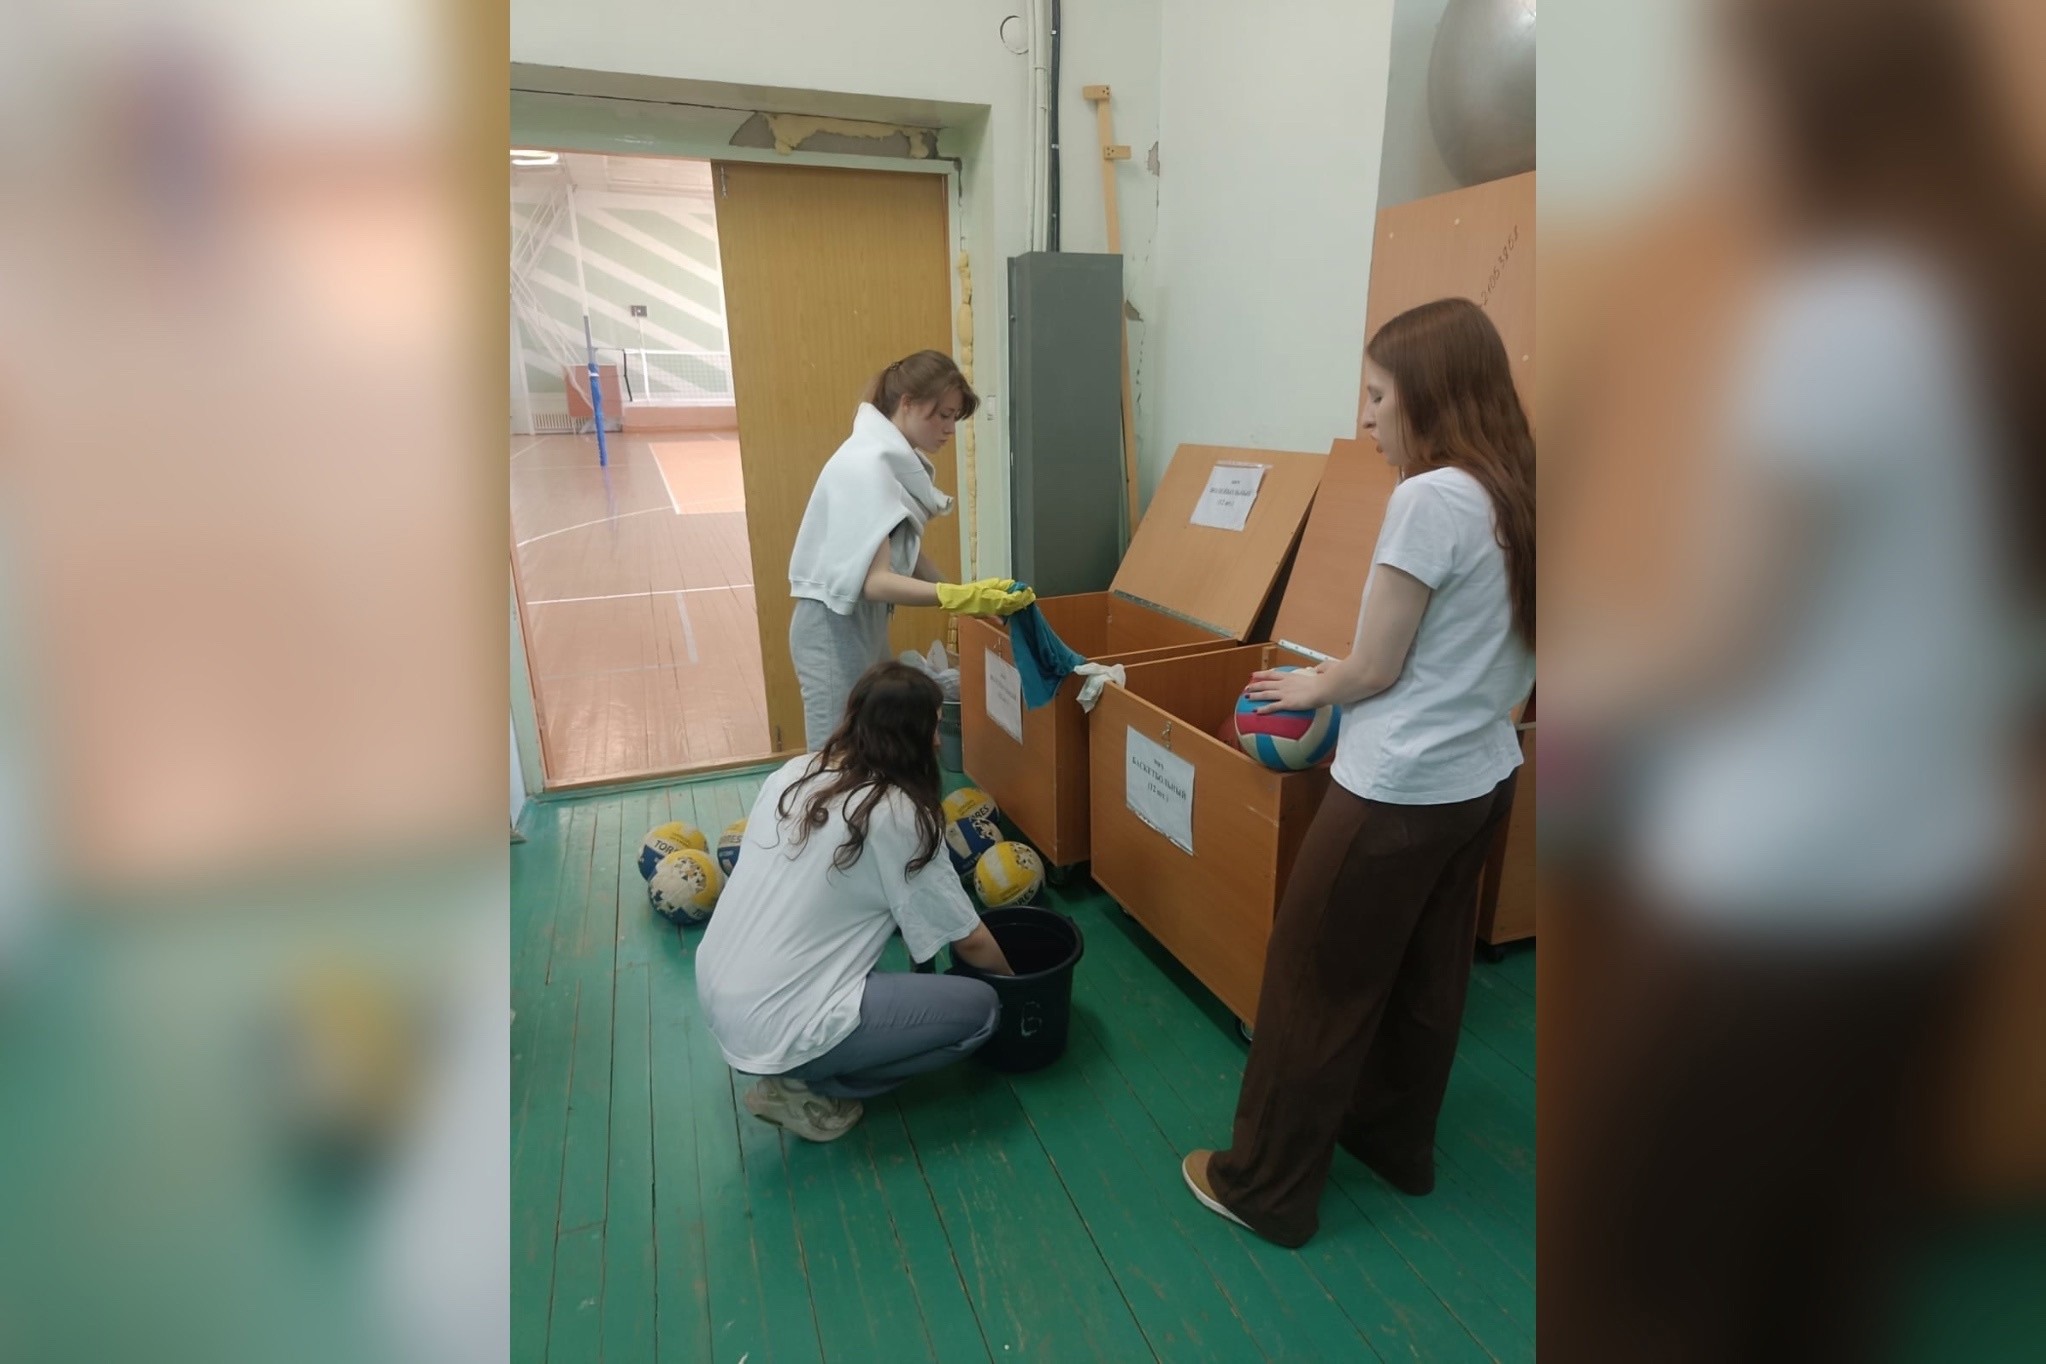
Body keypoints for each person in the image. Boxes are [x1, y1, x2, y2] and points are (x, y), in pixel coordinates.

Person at [1179, 298, 1536, 1246]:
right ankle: (1393, 1145)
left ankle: (1263, 1189)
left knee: (1312, 985)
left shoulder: (1430, 499)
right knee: (1427, 978)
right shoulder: (1523, 489)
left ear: (1431, 395)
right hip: (1482, 780)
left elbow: (1374, 668)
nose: (1366, 416)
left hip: (1396, 793)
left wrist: (1310, 685)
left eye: (1378, 395)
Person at [695, 661, 1015, 1142]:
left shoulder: (796, 771)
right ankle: (805, 1086)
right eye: (931, 728)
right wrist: (1017, 986)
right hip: (781, 1022)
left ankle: (799, 1065)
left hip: (719, 988)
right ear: (909, 738)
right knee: (983, 1011)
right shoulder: (899, 815)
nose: (936, 742)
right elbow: (969, 941)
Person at [787, 350, 1035, 751]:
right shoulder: (866, 465)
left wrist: (966, 597)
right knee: (836, 753)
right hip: (831, 628)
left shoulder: (888, 462)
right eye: (943, 415)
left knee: (873, 739)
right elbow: (875, 581)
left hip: (860, 623)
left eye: (954, 418)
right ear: (907, 403)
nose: (949, 429)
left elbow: (902, 551)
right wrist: (954, 597)